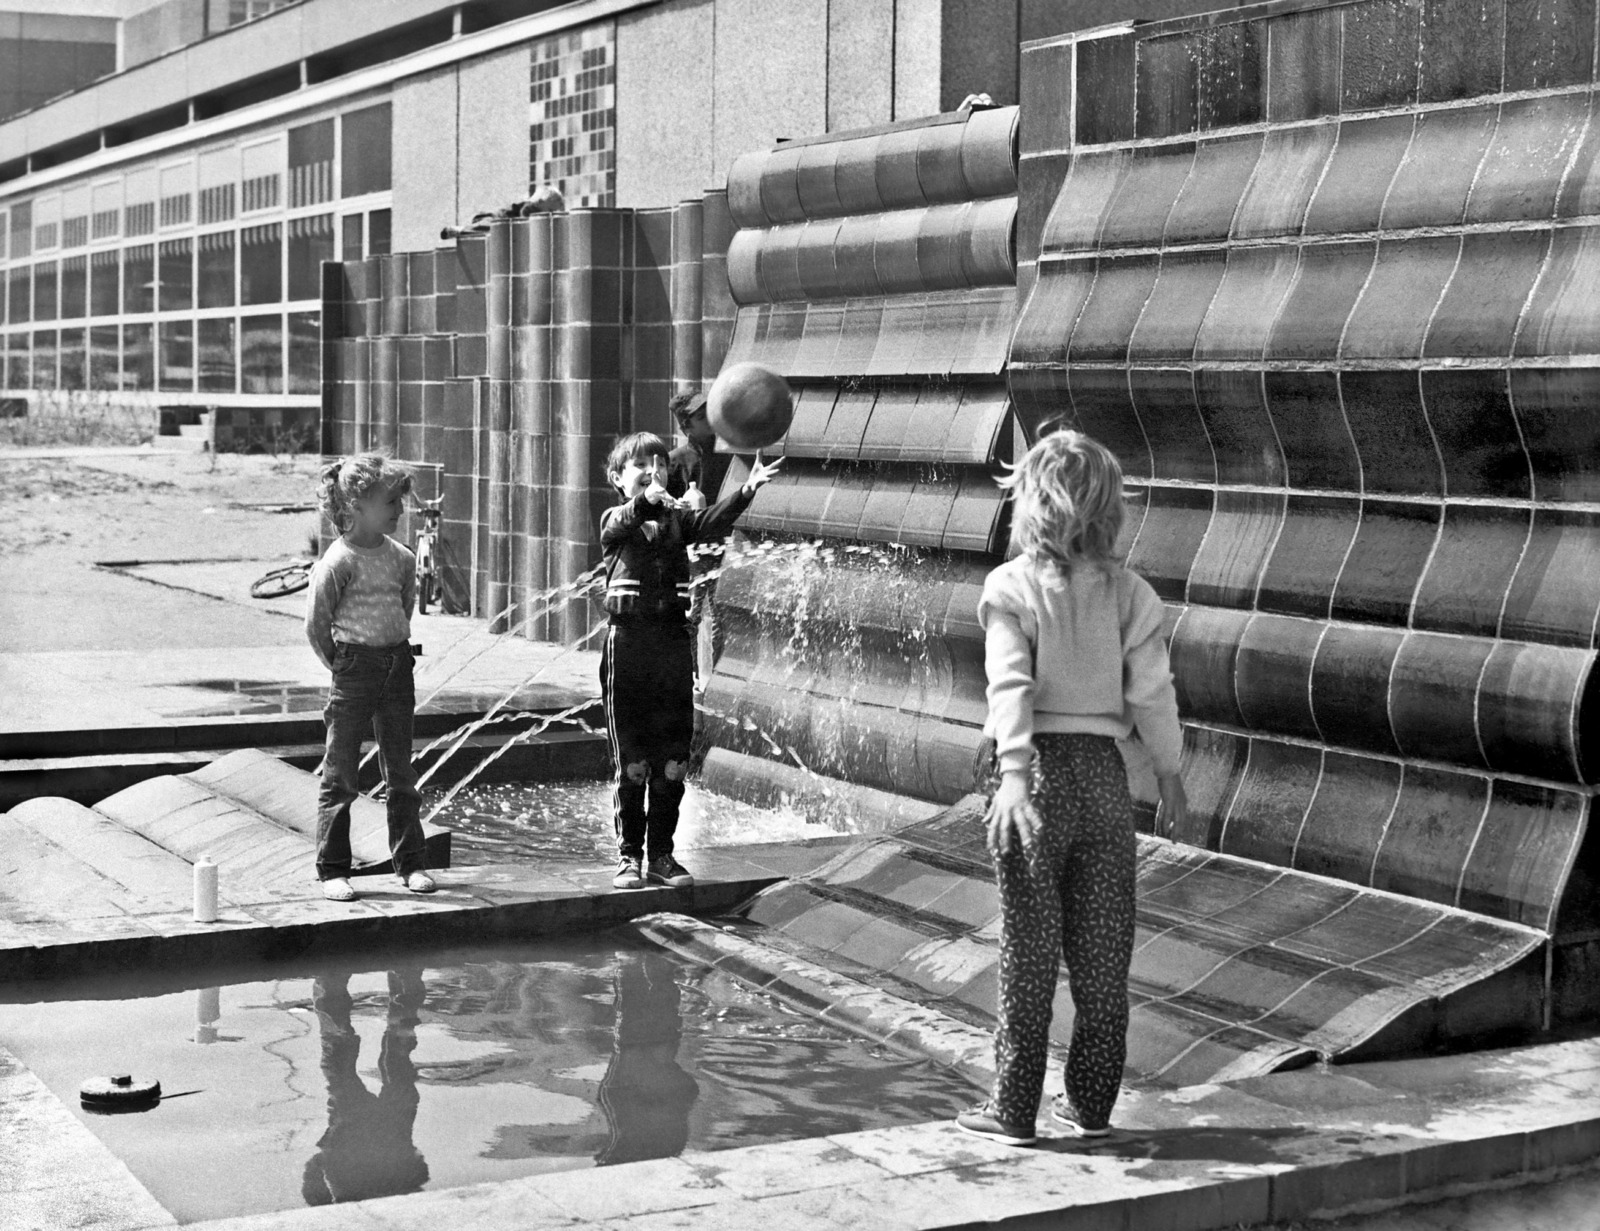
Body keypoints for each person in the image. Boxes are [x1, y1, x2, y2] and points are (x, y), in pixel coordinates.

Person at [956, 430, 1187, 1147]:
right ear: (1110, 509)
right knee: (1102, 950)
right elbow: (1153, 693)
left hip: (1040, 780)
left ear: (1030, 503)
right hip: (1105, 780)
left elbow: (1011, 685)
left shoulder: (1012, 586)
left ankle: (1014, 1108)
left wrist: (1016, 776)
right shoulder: (1132, 593)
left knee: (1029, 950)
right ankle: (1090, 1104)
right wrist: (1172, 772)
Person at [600, 431, 780, 890]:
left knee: (672, 762)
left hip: (672, 647)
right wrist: (649, 501)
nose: (654, 471)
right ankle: (628, 858)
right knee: (634, 762)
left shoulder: (680, 522)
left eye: (660, 464)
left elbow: (711, 522)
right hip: (629, 647)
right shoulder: (616, 520)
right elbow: (623, 521)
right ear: (619, 479)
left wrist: (746, 489)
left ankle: (662, 855)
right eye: (641, 465)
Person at [305, 454, 435, 903]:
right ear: (357, 505)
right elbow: (317, 624)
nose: (400, 510)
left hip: (397, 666)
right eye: (391, 501)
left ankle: (411, 863)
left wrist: (388, 652)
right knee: (341, 773)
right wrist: (341, 665)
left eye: (401, 501)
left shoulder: (399, 558)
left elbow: (405, 605)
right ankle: (333, 869)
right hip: (354, 669)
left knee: (401, 771)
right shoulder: (338, 561)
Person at [666, 390, 733, 694]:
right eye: (701, 416)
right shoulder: (676, 462)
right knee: (692, 614)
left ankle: (718, 678)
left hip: (727, 546)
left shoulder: (728, 449)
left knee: (722, 615)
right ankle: (689, 676)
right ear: (687, 427)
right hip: (694, 550)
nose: (711, 418)